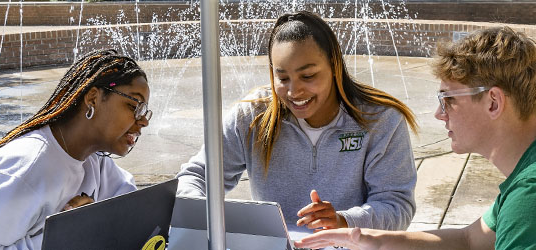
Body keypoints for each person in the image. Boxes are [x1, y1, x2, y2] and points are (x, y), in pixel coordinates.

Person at [295, 26, 536, 249]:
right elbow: (469, 241)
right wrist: (369, 240)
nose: (439, 114)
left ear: (494, 101)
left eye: (448, 99)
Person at [176, 11, 419, 232]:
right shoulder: (251, 117)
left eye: (308, 75)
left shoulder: (382, 119)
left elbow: (396, 206)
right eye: (282, 77)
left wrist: (344, 220)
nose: (294, 91)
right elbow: (196, 176)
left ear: (334, 65)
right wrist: (201, 217)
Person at [0, 49, 153, 250]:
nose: (143, 121)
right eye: (134, 106)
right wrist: (65, 235)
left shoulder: (93, 160)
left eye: (145, 111)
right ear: (92, 99)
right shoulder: (26, 167)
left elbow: (130, 205)